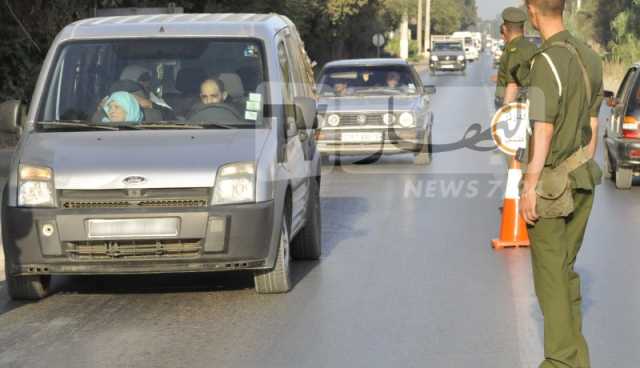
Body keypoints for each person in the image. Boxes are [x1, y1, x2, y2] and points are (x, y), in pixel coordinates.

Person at [520, 0, 604, 367]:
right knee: (566, 272)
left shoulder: (545, 61)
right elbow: (594, 124)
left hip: (553, 183)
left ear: (533, 11)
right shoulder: (589, 56)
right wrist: (582, 163)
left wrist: (530, 184)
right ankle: (577, 359)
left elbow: (544, 126)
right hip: (583, 175)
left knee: (550, 277)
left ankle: (559, 361)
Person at [494, 7, 538, 110]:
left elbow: (513, 85)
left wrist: (505, 114)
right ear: (522, 28)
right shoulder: (530, 46)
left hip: (514, 106)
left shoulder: (514, 50)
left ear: (504, 29)